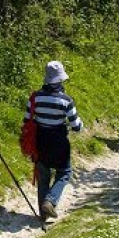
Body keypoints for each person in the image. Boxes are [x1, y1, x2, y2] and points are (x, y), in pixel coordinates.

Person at [23, 61, 84, 220]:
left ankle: (43, 214)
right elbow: (76, 125)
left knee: (43, 176)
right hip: (59, 144)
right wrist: (79, 125)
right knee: (64, 172)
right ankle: (50, 200)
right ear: (60, 79)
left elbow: (27, 119)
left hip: (40, 142)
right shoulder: (66, 100)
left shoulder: (35, 97)